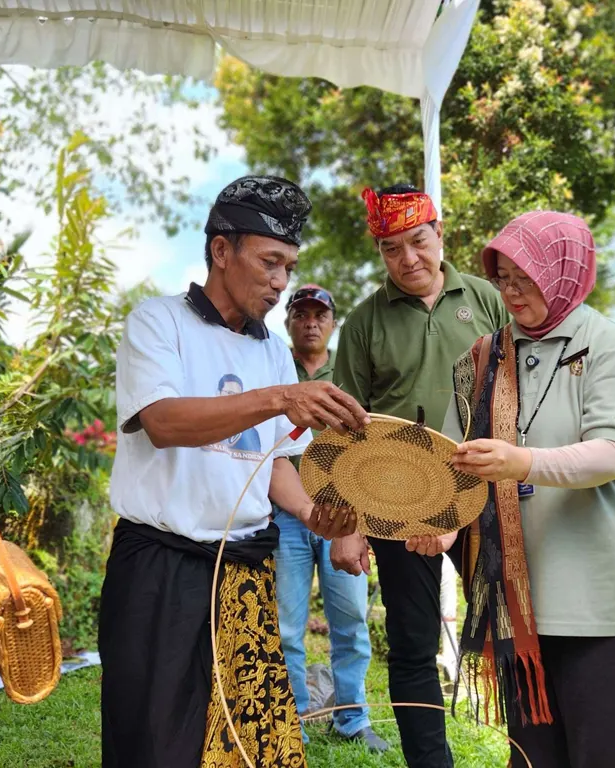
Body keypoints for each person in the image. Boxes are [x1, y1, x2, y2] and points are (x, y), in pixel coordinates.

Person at [99, 175, 370, 768]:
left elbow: (270, 462)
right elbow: (162, 421)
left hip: (244, 571)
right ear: (221, 250)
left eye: (288, 267)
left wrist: (313, 514)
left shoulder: (271, 351)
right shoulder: (159, 322)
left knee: (253, 743)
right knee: (156, 740)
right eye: (269, 262)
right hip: (161, 565)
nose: (280, 281)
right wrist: (279, 398)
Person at [437, 211, 615, 768]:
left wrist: (521, 462)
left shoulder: (605, 344)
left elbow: (614, 451)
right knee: (534, 759)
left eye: (525, 279)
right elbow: (450, 462)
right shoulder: (483, 358)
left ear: (564, 272)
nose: (511, 293)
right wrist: (439, 524)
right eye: (503, 279)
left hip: (598, 607)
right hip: (519, 608)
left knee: (606, 757)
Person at [331, 183, 509, 768]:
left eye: (418, 241)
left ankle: (533, 753)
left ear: (439, 234)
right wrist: (348, 526)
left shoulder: (486, 299)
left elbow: (518, 392)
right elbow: (345, 429)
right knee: (412, 644)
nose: (408, 259)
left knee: (512, 631)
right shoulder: (363, 322)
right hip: (396, 501)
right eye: (391, 248)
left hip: (486, 491)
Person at [273, 284, 387, 751]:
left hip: (344, 515)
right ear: (288, 323)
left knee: (351, 620)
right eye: (301, 314)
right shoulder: (275, 367)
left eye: (320, 315)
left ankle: (352, 719)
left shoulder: (351, 370)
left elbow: (371, 443)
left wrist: (363, 521)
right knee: (286, 626)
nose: (310, 323)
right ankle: (293, 720)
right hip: (286, 513)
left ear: (332, 323)